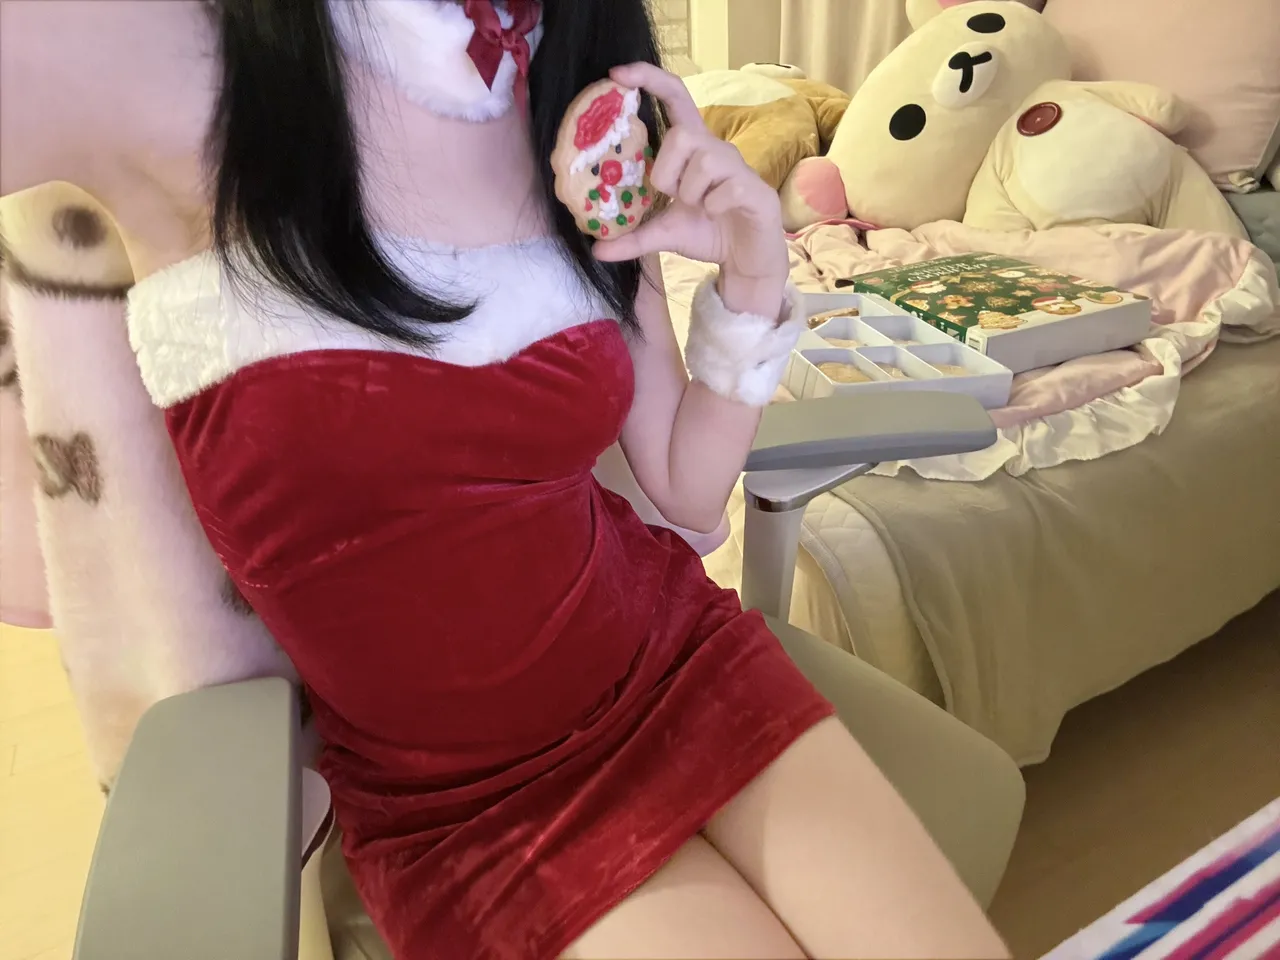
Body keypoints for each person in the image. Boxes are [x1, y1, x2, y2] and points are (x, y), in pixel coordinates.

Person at [1, 2, 1008, 957]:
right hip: (471, 808)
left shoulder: (573, 82)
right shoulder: (196, 50)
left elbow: (684, 487)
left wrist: (752, 282)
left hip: (677, 668)